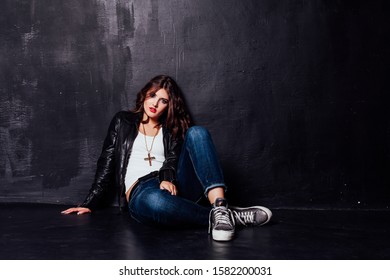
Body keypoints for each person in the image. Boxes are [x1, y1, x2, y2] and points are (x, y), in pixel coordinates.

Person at [62, 75, 272, 241]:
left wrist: (168, 178)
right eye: (153, 95)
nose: (155, 103)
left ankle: (219, 204)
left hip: (174, 185)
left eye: (163, 101)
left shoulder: (172, 129)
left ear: (168, 106)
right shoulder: (122, 121)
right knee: (157, 203)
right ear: (145, 93)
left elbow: (172, 160)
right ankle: (228, 216)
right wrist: (90, 202)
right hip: (141, 189)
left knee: (197, 133)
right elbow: (106, 162)